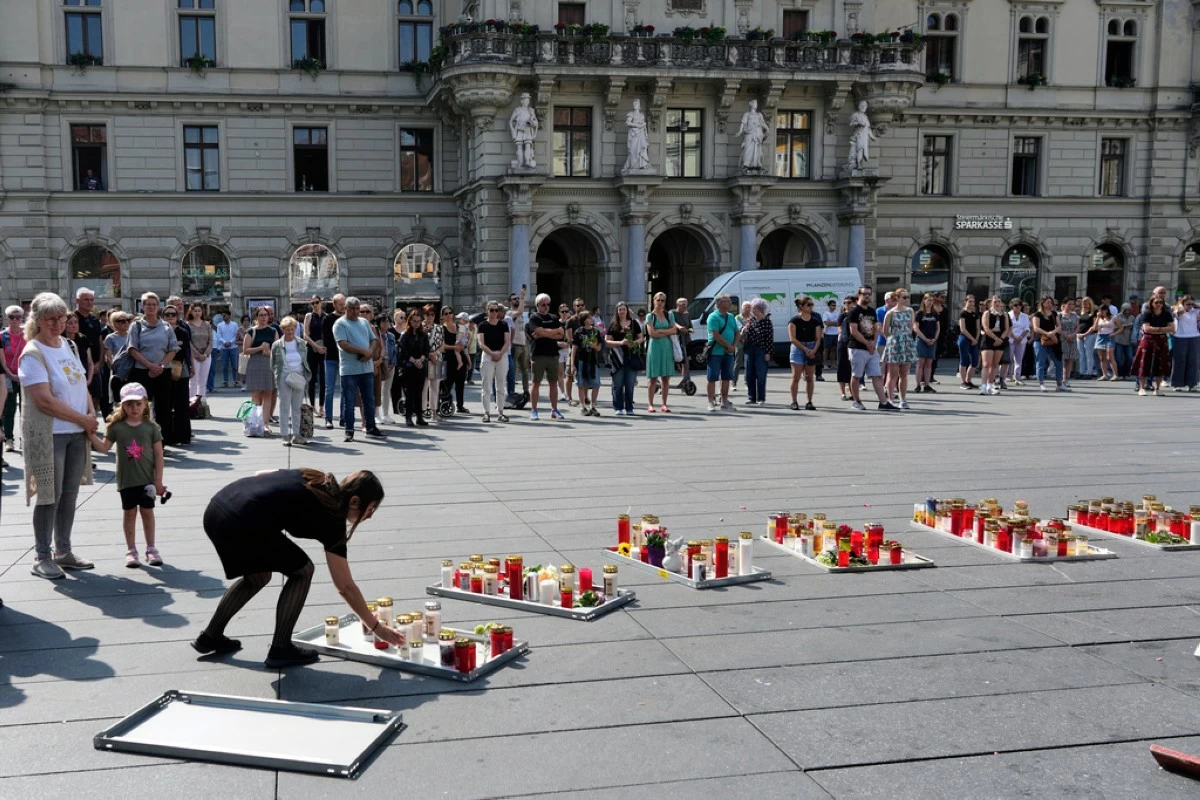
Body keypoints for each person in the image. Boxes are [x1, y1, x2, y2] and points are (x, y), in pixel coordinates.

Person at [193, 468, 400, 668]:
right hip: (240, 521)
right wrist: (376, 628)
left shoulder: (315, 477)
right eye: (371, 509)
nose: (370, 516)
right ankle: (280, 648)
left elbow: (261, 474)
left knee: (258, 576)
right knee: (303, 571)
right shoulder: (333, 519)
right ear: (355, 501)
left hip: (217, 508)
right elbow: (345, 586)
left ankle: (210, 636)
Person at [18, 293, 98, 579]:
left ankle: (63, 551)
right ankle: (42, 555)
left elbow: (81, 385)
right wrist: (83, 419)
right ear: (38, 320)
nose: (57, 323)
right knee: (48, 496)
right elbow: (44, 401)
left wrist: (90, 417)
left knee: (69, 495)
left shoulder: (70, 345)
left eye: (61, 317)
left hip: (76, 434)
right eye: (50, 318)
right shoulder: (33, 353)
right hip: (50, 434)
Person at [89, 382, 166, 567]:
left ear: (145, 404)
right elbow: (104, 448)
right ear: (122, 405)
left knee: (148, 513)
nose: (134, 408)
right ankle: (131, 550)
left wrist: (158, 481)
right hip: (127, 480)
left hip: (147, 480)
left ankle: (151, 548)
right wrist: (90, 434)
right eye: (129, 404)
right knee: (129, 513)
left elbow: (158, 455)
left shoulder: (151, 427)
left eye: (138, 403)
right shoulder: (116, 427)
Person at [127, 293, 181, 440]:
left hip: (163, 372)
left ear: (158, 307)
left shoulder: (166, 326)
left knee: (163, 409)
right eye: (147, 304)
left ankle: (160, 443)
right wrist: (150, 366)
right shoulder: (136, 326)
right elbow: (132, 349)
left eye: (154, 304)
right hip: (142, 372)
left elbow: (173, 349)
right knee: (141, 408)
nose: (151, 307)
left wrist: (160, 366)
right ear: (142, 306)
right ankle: (142, 440)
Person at [334, 297, 384, 442]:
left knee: (369, 400)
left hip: (366, 368)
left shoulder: (364, 322)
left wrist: (369, 351)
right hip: (349, 370)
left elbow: (374, 339)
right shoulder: (340, 324)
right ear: (346, 309)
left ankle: (371, 427)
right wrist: (364, 352)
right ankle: (349, 430)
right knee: (349, 402)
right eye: (352, 308)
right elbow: (344, 344)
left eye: (357, 308)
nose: (356, 312)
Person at [848, 286, 897, 411]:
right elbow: (853, 331)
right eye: (865, 294)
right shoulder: (854, 311)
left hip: (871, 349)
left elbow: (876, 328)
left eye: (869, 294)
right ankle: (856, 401)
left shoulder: (871, 311)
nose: (868, 296)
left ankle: (883, 402)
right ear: (859, 295)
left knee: (877, 375)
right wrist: (866, 343)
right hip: (857, 348)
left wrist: (873, 343)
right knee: (857, 375)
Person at [271, 316, 311, 446]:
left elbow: (305, 361)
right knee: (284, 406)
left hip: (299, 376)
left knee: (296, 407)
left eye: (292, 329)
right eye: (287, 329)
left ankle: (296, 434)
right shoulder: (277, 345)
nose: (290, 332)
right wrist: (279, 375)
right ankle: (284, 435)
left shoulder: (301, 343)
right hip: (284, 377)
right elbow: (272, 364)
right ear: (282, 330)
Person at [242, 306, 278, 436]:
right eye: (261, 315)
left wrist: (269, 352)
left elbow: (277, 349)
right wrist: (260, 348)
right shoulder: (250, 331)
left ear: (269, 317)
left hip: (269, 364)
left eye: (265, 315)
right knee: (256, 395)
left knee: (268, 394)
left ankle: (266, 424)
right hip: (255, 364)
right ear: (256, 317)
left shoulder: (273, 331)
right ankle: (255, 423)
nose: (263, 317)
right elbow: (245, 350)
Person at [74, 288, 108, 419]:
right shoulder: (72, 318)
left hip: (96, 366)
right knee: (80, 400)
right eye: (86, 299)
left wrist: (99, 363)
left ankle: (92, 427)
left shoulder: (94, 319)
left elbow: (100, 342)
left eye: (91, 300)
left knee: (96, 397)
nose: (89, 303)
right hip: (79, 366)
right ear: (77, 301)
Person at [162, 306, 193, 446]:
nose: (170, 317)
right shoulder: (160, 331)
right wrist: (175, 346)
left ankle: (183, 435)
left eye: (173, 314)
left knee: (182, 403)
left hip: (181, 367)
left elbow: (185, 350)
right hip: (163, 367)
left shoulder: (183, 331)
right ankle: (167, 436)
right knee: (166, 403)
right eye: (167, 314)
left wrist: (192, 366)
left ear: (177, 316)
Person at [642, 293, 678, 413]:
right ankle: (650, 404)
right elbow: (652, 333)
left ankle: (664, 404)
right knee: (653, 378)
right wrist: (667, 332)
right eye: (658, 300)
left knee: (666, 378)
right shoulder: (650, 316)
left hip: (666, 347)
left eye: (663, 300)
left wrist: (661, 331)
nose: (660, 303)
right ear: (654, 301)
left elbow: (674, 330)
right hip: (655, 347)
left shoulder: (669, 314)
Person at [880, 288, 916, 408]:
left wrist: (906, 339)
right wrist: (893, 341)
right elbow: (885, 331)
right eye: (904, 297)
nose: (906, 300)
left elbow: (911, 327)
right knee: (892, 374)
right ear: (897, 298)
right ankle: (890, 399)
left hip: (907, 342)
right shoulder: (890, 313)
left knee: (904, 374)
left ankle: (903, 399)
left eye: (907, 297)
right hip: (894, 343)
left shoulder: (910, 311)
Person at [476, 302, 511, 423]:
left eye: (496, 310)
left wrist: (500, 354)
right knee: (486, 386)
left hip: (501, 355)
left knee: (501, 385)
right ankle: (486, 413)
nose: (494, 313)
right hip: (488, 355)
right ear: (487, 311)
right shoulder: (482, 325)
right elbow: (481, 343)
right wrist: (492, 354)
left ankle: (500, 412)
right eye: (491, 310)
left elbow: (507, 342)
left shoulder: (504, 324)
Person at [605, 301, 642, 416]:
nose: (622, 311)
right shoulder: (613, 324)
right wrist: (620, 342)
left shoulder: (634, 323)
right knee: (618, 384)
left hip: (631, 357)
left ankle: (629, 407)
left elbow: (641, 338)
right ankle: (618, 407)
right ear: (617, 311)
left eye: (624, 309)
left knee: (630, 384)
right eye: (620, 309)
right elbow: (607, 341)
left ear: (627, 311)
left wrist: (634, 343)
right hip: (617, 357)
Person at [1133, 295, 1174, 396]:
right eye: (1156, 302)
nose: (1159, 304)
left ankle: (1158, 388)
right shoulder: (1147, 314)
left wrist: (1155, 329)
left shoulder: (1167, 314)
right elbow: (1146, 329)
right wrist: (1162, 329)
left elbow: (1172, 328)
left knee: (1160, 365)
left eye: (1161, 302)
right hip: (1148, 341)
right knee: (1144, 364)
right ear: (1151, 303)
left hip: (1162, 341)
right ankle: (1142, 388)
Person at [704, 294, 739, 413]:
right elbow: (715, 335)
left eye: (729, 301)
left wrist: (733, 346)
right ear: (719, 303)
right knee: (712, 378)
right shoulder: (713, 317)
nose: (729, 303)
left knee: (726, 377)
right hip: (715, 352)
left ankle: (724, 401)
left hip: (728, 353)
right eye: (726, 301)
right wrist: (728, 346)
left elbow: (737, 332)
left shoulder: (731, 317)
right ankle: (710, 402)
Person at [787, 296, 823, 411]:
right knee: (796, 377)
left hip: (812, 347)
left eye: (812, 304)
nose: (811, 306)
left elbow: (818, 338)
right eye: (808, 305)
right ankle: (794, 401)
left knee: (809, 377)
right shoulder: (794, 321)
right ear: (801, 307)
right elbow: (792, 339)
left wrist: (813, 350)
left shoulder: (815, 321)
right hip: (798, 348)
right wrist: (805, 349)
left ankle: (809, 401)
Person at [398, 309, 430, 427]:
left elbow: (427, 350)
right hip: (409, 367)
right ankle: (408, 417)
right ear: (409, 321)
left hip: (421, 367)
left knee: (419, 393)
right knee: (409, 393)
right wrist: (413, 361)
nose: (416, 323)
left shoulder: (423, 335)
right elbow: (402, 351)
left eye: (418, 321)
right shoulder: (405, 335)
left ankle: (419, 417)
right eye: (414, 321)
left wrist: (421, 359)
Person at [742, 298, 774, 406]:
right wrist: (745, 328)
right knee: (749, 374)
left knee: (761, 375)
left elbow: (769, 338)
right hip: (750, 349)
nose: (752, 310)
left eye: (754, 308)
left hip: (761, 349)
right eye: (752, 308)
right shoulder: (750, 320)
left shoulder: (767, 322)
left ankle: (761, 398)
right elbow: (745, 336)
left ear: (760, 309)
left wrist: (768, 352)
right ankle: (751, 397)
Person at [2, 305, 25, 451]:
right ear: (7, 318)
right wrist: (10, 374)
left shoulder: (28, 334)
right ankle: (9, 439)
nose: (15, 320)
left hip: (26, 376)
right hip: (8, 376)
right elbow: (1, 359)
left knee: (26, 409)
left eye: (18, 317)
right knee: (9, 409)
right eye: (12, 317)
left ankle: (25, 438)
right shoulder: (2, 336)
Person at [571, 310, 603, 416]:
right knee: (581, 384)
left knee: (596, 384)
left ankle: (593, 406)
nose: (591, 319)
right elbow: (574, 348)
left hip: (593, 361)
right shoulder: (578, 332)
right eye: (589, 318)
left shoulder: (595, 331)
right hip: (581, 361)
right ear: (584, 320)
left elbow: (599, 348)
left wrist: (594, 346)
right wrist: (572, 365)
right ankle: (583, 406)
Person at [1031, 296, 1066, 392]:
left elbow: (1059, 326)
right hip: (1040, 340)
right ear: (1042, 303)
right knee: (1041, 362)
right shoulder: (1037, 314)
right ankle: (1041, 383)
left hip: (1053, 340)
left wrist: (1053, 333)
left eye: (1051, 302)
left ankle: (1059, 383)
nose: (1049, 304)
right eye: (1047, 302)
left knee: (1058, 362)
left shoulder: (1054, 314)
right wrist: (1048, 334)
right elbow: (1036, 328)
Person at [322, 294, 346, 429]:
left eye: (344, 303)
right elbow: (327, 339)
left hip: (345, 358)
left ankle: (343, 417)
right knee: (329, 389)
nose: (343, 306)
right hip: (331, 357)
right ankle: (329, 418)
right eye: (341, 304)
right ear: (335, 304)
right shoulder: (328, 318)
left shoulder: (347, 318)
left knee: (344, 389)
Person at [978, 296, 1011, 396]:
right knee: (986, 364)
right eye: (995, 302)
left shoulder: (1004, 314)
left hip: (1000, 338)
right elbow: (986, 328)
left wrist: (1001, 339)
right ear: (990, 304)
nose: (997, 303)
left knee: (995, 364)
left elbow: (1007, 328)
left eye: (999, 301)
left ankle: (990, 385)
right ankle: (983, 386)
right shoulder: (987, 313)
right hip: (989, 338)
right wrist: (995, 339)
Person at [1081, 305, 1121, 381]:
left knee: (1110, 356)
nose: (1102, 312)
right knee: (1102, 358)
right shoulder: (1098, 318)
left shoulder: (1113, 317)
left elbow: (1120, 328)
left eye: (1103, 310)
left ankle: (1115, 374)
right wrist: (1098, 318)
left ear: (1107, 310)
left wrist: (1114, 334)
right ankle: (1104, 374)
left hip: (1109, 337)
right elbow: (1094, 328)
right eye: (1100, 310)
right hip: (1100, 337)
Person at [302, 296, 326, 414]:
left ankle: (322, 406)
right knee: (311, 377)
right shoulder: (309, 316)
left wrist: (323, 347)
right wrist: (316, 346)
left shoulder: (326, 316)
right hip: (312, 348)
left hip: (323, 349)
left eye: (316, 302)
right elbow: (305, 335)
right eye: (312, 303)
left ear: (321, 303)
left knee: (323, 378)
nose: (314, 305)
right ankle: (312, 405)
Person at [443, 309, 470, 414]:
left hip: (460, 357)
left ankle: (460, 405)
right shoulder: (441, 328)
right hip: (448, 358)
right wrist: (454, 347)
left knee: (460, 384)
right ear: (442, 316)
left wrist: (463, 345)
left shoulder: (460, 327)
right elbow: (442, 346)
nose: (449, 315)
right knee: (447, 384)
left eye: (450, 313)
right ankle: (445, 404)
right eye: (446, 313)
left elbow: (466, 341)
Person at [1170, 295, 1200, 391]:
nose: (1190, 306)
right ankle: (1177, 383)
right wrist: (1183, 307)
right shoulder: (1179, 310)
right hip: (1180, 337)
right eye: (1188, 304)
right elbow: (1175, 314)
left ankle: (1192, 384)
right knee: (1180, 361)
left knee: (1193, 361)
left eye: (1191, 304)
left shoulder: (1195, 311)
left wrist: (1196, 306)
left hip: (1194, 336)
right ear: (1183, 303)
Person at [913, 294, 941, 394]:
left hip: (932, 340)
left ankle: (927, 385)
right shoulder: (919, 313)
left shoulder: (935, 314)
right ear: (924, 301)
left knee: (929, 363)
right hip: (921, 340)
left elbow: (938, 327)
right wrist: (924, 339)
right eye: (928, 300)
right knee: (920, 363)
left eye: (932, 300)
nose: (930, 302)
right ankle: (918, 385)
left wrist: (935, 338)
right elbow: (916, 328)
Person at [506, 288, 530, 399]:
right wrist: (522, 297)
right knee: (512, 370)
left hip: (523, 344)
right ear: (510, 302)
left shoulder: (522, 314)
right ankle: (511, 392)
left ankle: (526, 391)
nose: (516, 300)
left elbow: (522, 328)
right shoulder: (510, 313)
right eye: (514, 299)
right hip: (515, 345)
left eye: (517, 299)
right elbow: (519, 311)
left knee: (525, 370)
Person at [185, 304, 212, 400]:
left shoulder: (207, 324)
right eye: (195, 311)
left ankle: (202, 404)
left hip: (206, 356)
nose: (197, 313)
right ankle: (192, 405)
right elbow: (188, 342)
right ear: (191, 312)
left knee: (203, 382)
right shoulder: (188, 325)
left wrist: (205, 354)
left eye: (199, 311)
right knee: (193, 382)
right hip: (193, 356)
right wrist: (197, 355)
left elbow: (210, 341)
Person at [375, 314, 398, 423]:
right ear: (379, 323)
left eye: (387, 321)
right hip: (379, 364)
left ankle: (385, 414)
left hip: (390, 365)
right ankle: (376, 414)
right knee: (377, 390)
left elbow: (394, 351)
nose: (386, 323)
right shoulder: (376, 335)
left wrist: (392, 364)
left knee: (386, 390)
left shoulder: (391, 336)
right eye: (383, 321)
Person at [956, 296, 980, 390]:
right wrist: (971, 338)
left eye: (973, 302)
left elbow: (978, 328)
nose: (971, 303)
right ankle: (963, 382)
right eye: (969, 301)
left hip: (974, 339)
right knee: (964, 360)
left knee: (975, 361)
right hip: (964, 338)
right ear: (965, 302)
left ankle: (969, 380)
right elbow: (963, 328)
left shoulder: (975, 314)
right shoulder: (963, 313)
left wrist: (976, 338)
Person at [671, 297, 694, 388]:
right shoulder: (672, 313)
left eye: (686, 304)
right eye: (683, 304)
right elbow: (672, 322)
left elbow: (690, 326)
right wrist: (679, 327)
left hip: (686, 340)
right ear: (678, 305)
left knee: (685, 361)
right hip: (675, 340)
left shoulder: (687, 314)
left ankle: (685, 380)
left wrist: (691, 330)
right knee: (674, 360)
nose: (685, 306)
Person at [836, 295, 855, 401]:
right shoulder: (842, 316)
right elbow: (839, 330)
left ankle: (852, 391)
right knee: (842, 367)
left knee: (852, 369)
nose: (847, 304)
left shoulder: (857, 315)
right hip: (843, 343)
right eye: (845, 302)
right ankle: (843, 393)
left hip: (854, 344)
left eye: (849, 302)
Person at [213, 312, 240, 389]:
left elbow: (236, 335)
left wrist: (230, 342)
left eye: (225, 315)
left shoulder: (234, 324)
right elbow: (218, 336)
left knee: (234, 365)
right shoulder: (220, 325)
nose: (224, 316)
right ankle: (225, 381)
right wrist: (224, 342)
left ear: (229, 316)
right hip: (224, 348)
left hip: (233, 347)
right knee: (224, 365)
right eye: (223, 315)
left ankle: (235, 380)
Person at [1007, 299, 1030, 386]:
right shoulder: (1008, 315)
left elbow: (1027, 328)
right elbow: (1007, 328)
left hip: (1021, 340)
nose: (1018, 307)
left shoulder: (1024, 316)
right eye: (1016, 305)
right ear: (1012, 306)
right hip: (1010, 338)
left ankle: (1017, 377)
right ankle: (1005, 376)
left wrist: (1020, 338)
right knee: (1008, 359)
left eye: (1020, 305)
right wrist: (1014, 337)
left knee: (1018, 359)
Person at [1058, 298, 1081, 389]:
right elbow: (1058, 327)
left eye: (1073, 304)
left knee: (1070, 359)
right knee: (1062, 359)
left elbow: (1078, 327)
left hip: (1072, 338)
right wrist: (1066, 335)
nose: (1071, 306)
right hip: (1063, 338)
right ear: (1064, 304)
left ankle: (1066, 378)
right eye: (1069, 304)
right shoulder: (1059, 315)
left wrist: (1073, 335)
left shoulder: (1075, 315)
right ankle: (1060, 378)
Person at [1114, 303, 1136, 379]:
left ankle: (1127, 373)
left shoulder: (1132, 317)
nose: (1127, 312)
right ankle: (1120, 374)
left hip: (1128, 340)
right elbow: (1114, 326)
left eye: (1128, 310)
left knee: (1129, 358)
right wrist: (1124, 326)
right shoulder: (1117, 316)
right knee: (1118, 358)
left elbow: (1135, 327)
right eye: (1125, 310)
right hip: (1119, 339)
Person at [733, 300, 752, 388]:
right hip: (740, 341)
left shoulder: (752, 317)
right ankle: (734, 382)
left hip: (749, 341)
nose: (748, 309)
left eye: (749, 307)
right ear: (742, 308)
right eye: (746, 307)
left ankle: (747, 382)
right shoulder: (738, 317)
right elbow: (738, 329)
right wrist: (746, 326)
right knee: (738, 362)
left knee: (748, 362)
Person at [1077, 297, 1097, 379]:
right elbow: (1077, 324)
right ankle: (1082, 371)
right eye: (1083, 303)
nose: (1084, 305)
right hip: (1079, 335)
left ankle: (1089, 372)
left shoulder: (1093, 313)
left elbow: (1094, 326)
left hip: (1090, 335)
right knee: (1081, 354)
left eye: (1086, 303)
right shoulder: (1080, 313)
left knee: (1089, 354)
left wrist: (1085, 334)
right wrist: (1077, 333)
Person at [821, 298, 840, 376]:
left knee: (833, 349)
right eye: (832, 305)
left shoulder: (837, 313)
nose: (834, 307)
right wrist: (833, 323)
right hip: (828, 334)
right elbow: (826, 323)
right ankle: (825, 364)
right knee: (826, 349)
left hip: (836, 333)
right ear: (829, 306)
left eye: (835, 305)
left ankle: (833, 364)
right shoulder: (826, 313)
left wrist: (832, 322)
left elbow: (838, 323)